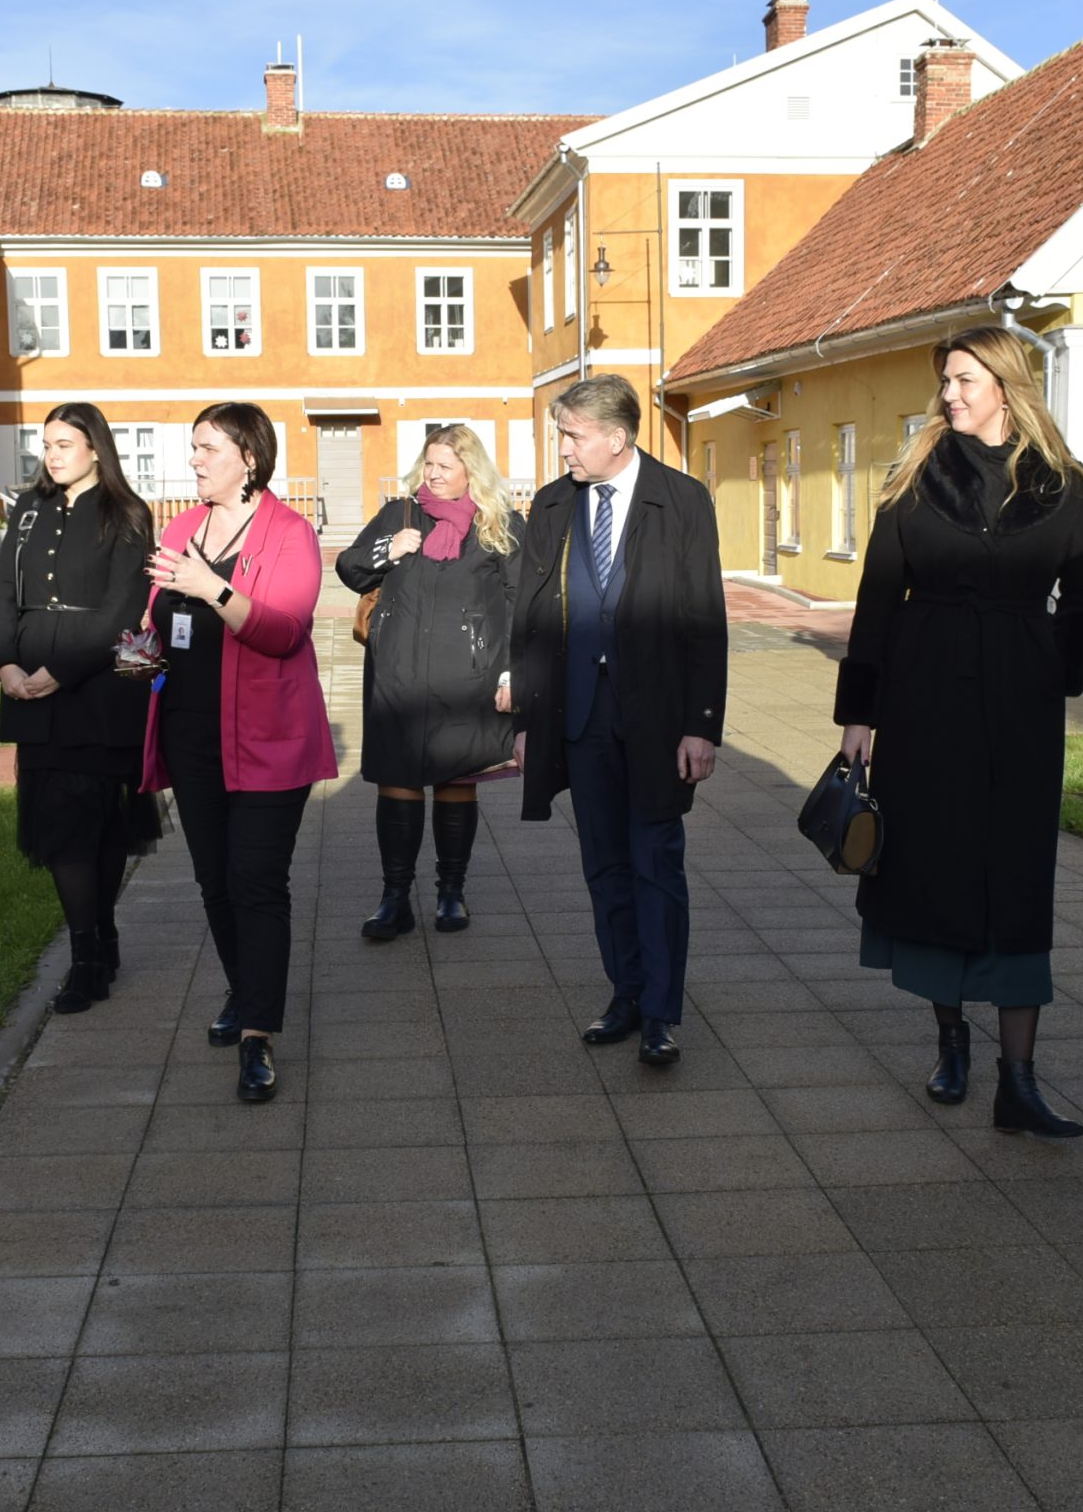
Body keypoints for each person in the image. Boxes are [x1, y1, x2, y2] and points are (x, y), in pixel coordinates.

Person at [836, 327, 1083, 1136]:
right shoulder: (914, 475)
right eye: (947, 381)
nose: (950, 394)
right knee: (937, 866)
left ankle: (1018, 1080)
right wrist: (860, 714)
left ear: (1005, 385)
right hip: (926, 698)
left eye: (964, 379)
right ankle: (951, 1040)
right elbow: (878, 597)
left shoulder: (1063, 484)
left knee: (1018, 875)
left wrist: (1057, 667)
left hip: (1023, 705)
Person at [510, 374, 727, 1067]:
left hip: (658, 718)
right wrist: (525, 720)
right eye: (561, 435)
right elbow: (531, 619)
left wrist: (702, 724)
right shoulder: (551, 504)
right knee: (604, 865)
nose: (563, 448)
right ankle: (626, 994)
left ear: (618, 437)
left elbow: (705, 619)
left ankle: (661, 1012)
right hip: (580, 716)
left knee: (655, 862)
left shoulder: (681, 500)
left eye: (573, 436)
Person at [142, 402, 337, 1102]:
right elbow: (157, 617)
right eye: (193, 447)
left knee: (256, 879)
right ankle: (243, 986)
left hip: (267, 737)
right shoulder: (181, 527)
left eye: (208, 448)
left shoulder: (290, 533)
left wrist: (212, 587)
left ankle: (258, 1033)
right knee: (215, 880)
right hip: (190, 734)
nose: (194, 459)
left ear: (248, 458)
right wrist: (138, 653)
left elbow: (285, 632)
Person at [0, 403, 162, 1015]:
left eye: (64, 444)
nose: (52, 455)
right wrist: (4, 661)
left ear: (95, 448)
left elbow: (123, 608)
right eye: (47, 444)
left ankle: (97, 945)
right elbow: (0, 586)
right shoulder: (29, 509)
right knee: (60, 823)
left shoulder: (127, 512)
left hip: (101, 683)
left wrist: (62, 670)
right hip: (28, 678)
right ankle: (88, 949)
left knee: (101, 820)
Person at [336, 425, 520, 939]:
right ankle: (394, 898)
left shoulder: (498, 523)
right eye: (429, 464)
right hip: (397, 673)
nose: (434, 475)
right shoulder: (400, 514)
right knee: (397, 778)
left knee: (455, 779)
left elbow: (520, 600)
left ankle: (451, 892)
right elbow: (349, 569)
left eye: (446, 466)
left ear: (471, 471)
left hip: (468, 676)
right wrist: (388, 550)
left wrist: (513, 671)